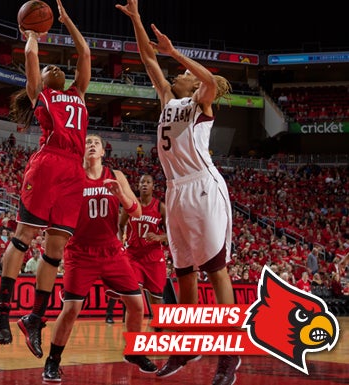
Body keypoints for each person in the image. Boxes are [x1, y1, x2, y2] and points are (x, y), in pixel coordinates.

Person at [117, 1, 239, 384]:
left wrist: (175, 52)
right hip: (177, 193)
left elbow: (208, 79)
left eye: (184, 73)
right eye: (180, 71)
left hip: (203, 188)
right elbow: (146, 57)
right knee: (184, 274)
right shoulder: (168, 101)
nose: (179, 73)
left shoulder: (201, 102)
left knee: (215, 272)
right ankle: (185, 346)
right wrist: (137, 19)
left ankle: (229, 356)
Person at [0, 0, 91, 359]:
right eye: (49, 68)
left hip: (74, 172)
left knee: (55, 250)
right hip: (49, 164)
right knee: (25, 236)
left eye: (55, 66)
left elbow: (84, 52)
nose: (53, 67)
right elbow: (32, 61)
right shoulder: (42, 95)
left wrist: (67, 22)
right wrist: (32, 34)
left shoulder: (78, 93)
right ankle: (2, 312)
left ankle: (34, 318)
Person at [42, 134, 156, 381]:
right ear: (81, 151)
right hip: (80, 252)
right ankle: (53, 360)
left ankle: (134, 352)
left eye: (96, 143)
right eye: (87, 142)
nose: (91, 145)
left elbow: (135, 211)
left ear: (103, 152)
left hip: (112, 251)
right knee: (71, 309)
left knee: (137, 305)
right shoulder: (72, 176)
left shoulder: (116, 175)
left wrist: (121, 195)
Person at [118, 174, 168, 323]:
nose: (144, 184)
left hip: (153, 256)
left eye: (148, 182)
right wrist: (121, 240)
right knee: (133, 296)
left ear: (153, 186)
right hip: (133, 255)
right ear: (138, 186)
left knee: (156, 299)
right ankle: (133, 333)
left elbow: (173, 233)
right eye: (142, 182)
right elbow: (121, 225)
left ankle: (159, 329)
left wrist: (160, 237)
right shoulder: (131, 205)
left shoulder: (160, 207)